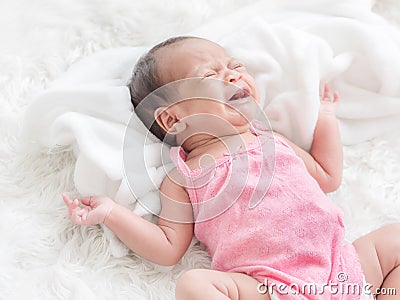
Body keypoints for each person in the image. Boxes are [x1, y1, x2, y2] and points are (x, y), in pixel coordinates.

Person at [63, 36, 400, 299]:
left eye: (234, 65)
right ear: (173, 118)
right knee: (194, 285)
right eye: (211, 75)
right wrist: (111, 213)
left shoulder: (271, 140)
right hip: (270, 286)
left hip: (343, 270)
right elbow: (167, 247)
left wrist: (326, 119)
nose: (233, 74)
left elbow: (327, 175)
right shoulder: (183, 177)